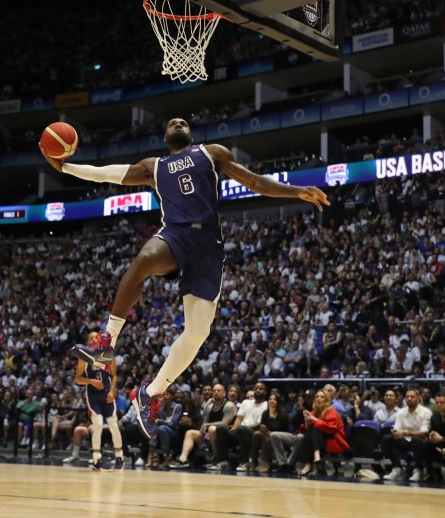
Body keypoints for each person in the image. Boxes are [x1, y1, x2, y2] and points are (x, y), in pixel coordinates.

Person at [42, 118, 330, 438]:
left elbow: (254, 182)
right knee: (145, 259)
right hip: (176, 236)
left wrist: (297, 191)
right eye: (171, 122)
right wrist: (66, 168)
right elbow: (108, 173)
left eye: (183, 122)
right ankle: (106, 343)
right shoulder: (154, 166)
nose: (178, 122)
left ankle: (150, 395)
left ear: (189, 134)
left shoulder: (211, 153)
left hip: (207, 247)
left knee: (196, 335)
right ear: (166, 136)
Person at [75, 331, 124, 471]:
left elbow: (114, 376)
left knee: (113, 424)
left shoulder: (109, 355)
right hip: (93, 395)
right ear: (88, 342)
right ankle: (97, 460)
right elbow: (78, 379)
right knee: (97, 424)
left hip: (106, 394)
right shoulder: (83, 358)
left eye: (97, 337)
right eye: (91, 338)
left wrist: (112, 391)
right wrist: (91, 381)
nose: (95, 339)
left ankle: (119, 457)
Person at [293, 389, 348, 476]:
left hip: (333, 440)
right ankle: (315, 459)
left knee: (315, 428)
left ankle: (309, 464)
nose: (319, 399)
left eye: (322, 397)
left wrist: (314, 419)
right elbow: (306, 430)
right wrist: (307, 420)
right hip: (318, 442)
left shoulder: (331, 411)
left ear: (326, 400)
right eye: (317, 397)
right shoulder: (314, 412)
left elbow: (331, 429)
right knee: (311, 431)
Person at [381, 389, 432, 481]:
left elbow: (424, 432)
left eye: (412, 397)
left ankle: (418, 470)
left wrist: (405, 432)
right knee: (387, 438)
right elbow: (396, 429)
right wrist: (397, 433)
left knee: (416, 439)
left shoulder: (426, 412)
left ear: (418, 398)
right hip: (405, 440)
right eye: (407, 397)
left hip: (421, 442)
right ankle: (397, 469)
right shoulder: (401, 412)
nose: (409, 399)